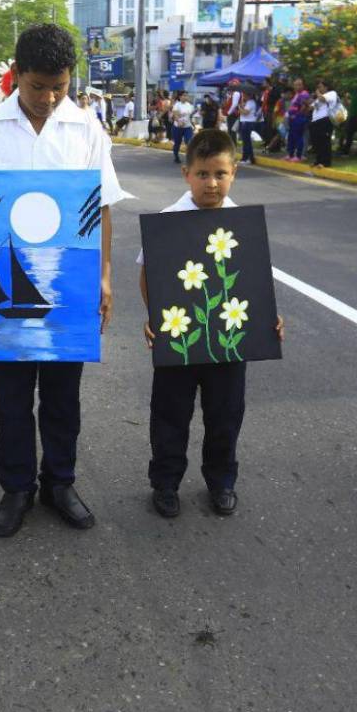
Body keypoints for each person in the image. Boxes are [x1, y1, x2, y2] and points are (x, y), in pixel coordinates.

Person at [0, 23, 126, 538]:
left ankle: (60, 482)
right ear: (17, 76)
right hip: (1, 283)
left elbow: (104, 207)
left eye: (60, 86)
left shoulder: (85, 128)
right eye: (37, 87)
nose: (49, 98)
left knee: (61, 396)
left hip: (67, 287)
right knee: (10, 398)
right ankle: (16, 488)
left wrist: (104, 275)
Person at [140, 129, 284, 517]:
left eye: (220, 173)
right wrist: (154, 317)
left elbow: (253, 280)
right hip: (180, 338)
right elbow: (148, 273)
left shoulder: (243, 225)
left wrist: (269, 318)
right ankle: (166, 482)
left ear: (234, 172)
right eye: (203, 174)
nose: (212, 183)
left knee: (225, 415)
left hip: (229, 343)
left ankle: (221, 481)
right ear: (186, 174)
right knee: (170, 415)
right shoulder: (170, 221)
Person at [285, 78, 310, 161]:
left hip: (299, 118)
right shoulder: (296, 94)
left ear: (303, 85)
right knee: (291, 137)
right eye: (295, 85)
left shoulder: (304, 94)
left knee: (298, 137)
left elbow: (304, 106)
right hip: (292, 118)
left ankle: (298, 155)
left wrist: (296, 115)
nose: (297, 86)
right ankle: (290, 154)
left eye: (299, 84)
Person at [237, 90, 264, 164]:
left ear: (248, 95)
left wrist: (239, 107)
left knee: (247, 142)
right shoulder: (249, 102)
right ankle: (247, 158)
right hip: (246, 123)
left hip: (247, 123)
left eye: (244, 94)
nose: (243, 96)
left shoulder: (250, 102)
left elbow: (245, 112)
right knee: (246, 142)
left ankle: (247, 158)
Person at [170, 91, 195, 163]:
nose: (185, 97)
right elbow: (175, 114)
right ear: (180, 97)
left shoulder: (189, 105)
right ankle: (176, 156)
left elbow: (191, 116)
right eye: (184, 95)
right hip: (178, 127)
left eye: (186, 95)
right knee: (177, 142)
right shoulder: (177, 105)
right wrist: (179, 121)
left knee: (189, 141)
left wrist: (193, 124)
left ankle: (190, 157)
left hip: (187, 127)